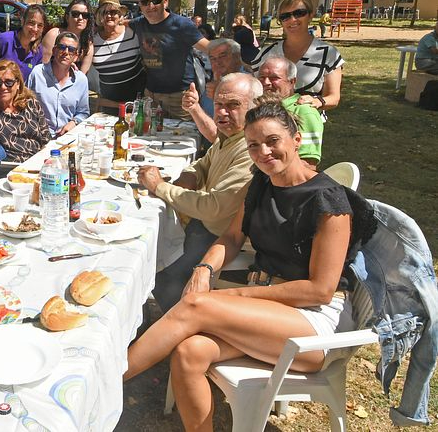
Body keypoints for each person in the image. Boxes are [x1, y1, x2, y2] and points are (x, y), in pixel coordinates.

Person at [125, 98, 376, 432]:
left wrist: (234, 296)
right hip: (271, 310)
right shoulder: (261, 183)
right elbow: (231, 237)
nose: (264, 152)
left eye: (272, 141)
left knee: (197, 306)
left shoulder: (328, 201)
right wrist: (204, 269)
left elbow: (320, 290)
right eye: (254, 145)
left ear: (296, 140)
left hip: (315, 325)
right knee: (188, 352)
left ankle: (108, 380)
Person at [138, 73, 261, 311]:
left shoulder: (250, 148)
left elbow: (213, 208)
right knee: (150, 245)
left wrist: (159, 187)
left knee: (159, 270)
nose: (222, 112)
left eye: (233, 105)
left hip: (219, 236)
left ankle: (185, 322)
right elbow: (203, 163)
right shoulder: (232, 136)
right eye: (218, 104)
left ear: (254, 107)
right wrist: (189, 177)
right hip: (204, 225)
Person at [250, 0, 343, 115]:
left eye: (299, 13)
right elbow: (254, 89)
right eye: (285, 16)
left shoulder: (328, 54)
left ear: (310, 15)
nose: (292, 19)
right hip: (270, 120)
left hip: (308, 120)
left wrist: (316, 101)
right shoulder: (267, 53)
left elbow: (334, 97)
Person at [130, 0, 209, 119]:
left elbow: (210, 48)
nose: (150, 6)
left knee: (183, 132)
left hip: (180, 98)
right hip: (151, 96)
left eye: (156, 1)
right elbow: (121, 24)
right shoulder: (138, 23)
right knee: (149, 132)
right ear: (140, 5)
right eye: (145, 2)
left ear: (165, 2)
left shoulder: (181, 24)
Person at [0, 59, 52, 162]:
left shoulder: (31, 104)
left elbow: (46, 139)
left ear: (18, 84)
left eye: (9, 82)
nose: (3, 87)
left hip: (37, 163)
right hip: (6, 167)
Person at [256, 56, 324, 168]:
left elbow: (308, 163)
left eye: (274, 78)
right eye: (262, 77)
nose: (266, 82)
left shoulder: (304, 111)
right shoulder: (257, 108)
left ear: (292, 81)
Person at [182, 38, 247, 142]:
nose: (217, 62)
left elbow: (222, 134)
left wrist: (219, 95)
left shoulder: (246, 82)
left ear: (237, 57)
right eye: (212, 58)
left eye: (222, 56)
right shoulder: (216, 78)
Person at [28, 32, 91, 136]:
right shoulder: (37, 73)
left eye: (71, 49)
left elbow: (83, 113)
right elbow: (23, 105)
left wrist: (73, 123)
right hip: (38, 136)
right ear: (54, 50)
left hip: (67, 137)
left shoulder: (81, 80)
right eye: (62, 47)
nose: (66, 52)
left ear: (76, 56)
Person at [91, 0, 146, 104]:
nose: (108, 16)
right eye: (104, 12)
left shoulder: (132, 33)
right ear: (99, 16)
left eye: (113, 12)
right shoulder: (93, 40)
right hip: (108, 101)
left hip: (136, 99)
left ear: (120, 14)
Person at [40, 0, 96, 91]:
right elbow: (43, 66)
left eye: (85, 15)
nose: (80, 18)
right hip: (47, 85)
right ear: (67, 17)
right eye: (75, 14)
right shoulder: (54, 34)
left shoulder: (87, 44)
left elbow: (81, 77)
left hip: (71, 89)